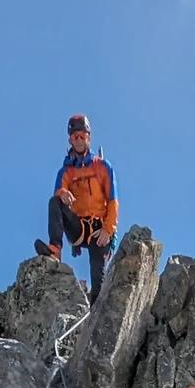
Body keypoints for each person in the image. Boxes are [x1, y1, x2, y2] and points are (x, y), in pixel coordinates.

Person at [36, 114, 118, 301]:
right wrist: (62, 193)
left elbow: (113, 200)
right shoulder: (66, 171)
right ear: (70, 139)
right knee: (54, 202)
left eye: (82, 136)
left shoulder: (103, 167)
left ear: (89, 137)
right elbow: (59, 189)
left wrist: (108, 229)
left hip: (100, 230)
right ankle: (55, 249)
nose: (79, 140)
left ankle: (94, 313)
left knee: (98, 280)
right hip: (79, 227)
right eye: (75, 137)